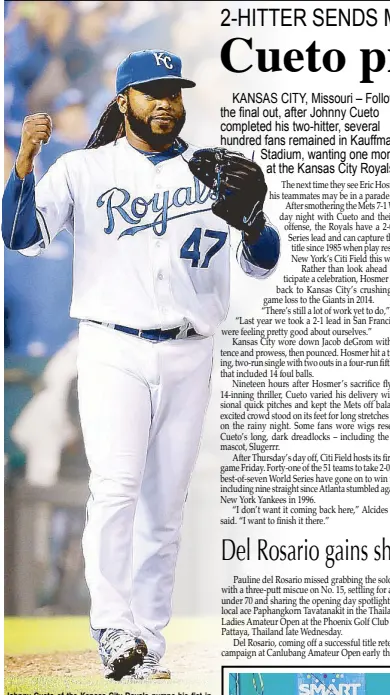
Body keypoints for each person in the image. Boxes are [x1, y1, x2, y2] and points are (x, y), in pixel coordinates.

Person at [2, 49, 280, 681]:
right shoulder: (84, 168)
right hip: (112, 346)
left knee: (166, 505)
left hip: (192, 349)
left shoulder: (215, 173)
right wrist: (24, 163)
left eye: (172, 92)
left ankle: (148, 641)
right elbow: (18, 235)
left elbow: (261, 263)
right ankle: (113, 627)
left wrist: (255, 219)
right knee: (116, 487)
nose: (165, 102)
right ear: (124, 100)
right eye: (151, 92)